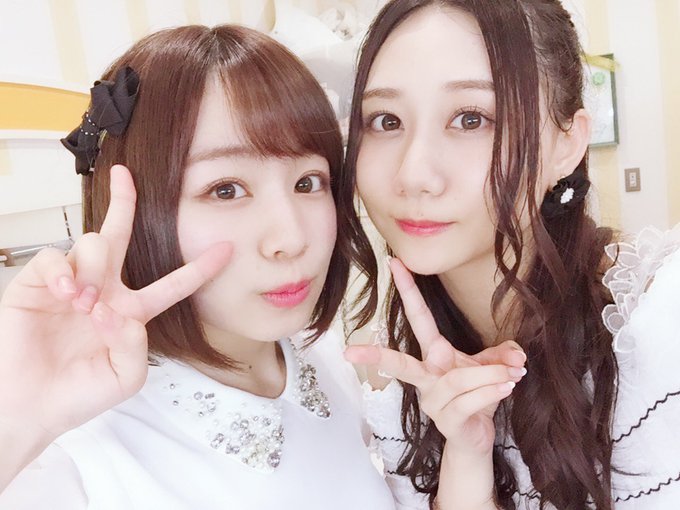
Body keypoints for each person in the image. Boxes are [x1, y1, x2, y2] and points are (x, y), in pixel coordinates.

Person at [0, 24, 404, 509]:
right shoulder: (76, 453)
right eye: (226, 190)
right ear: (140, 210)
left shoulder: (323, 354)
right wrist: (19, 422)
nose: (292, 238)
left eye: (307, 182)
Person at [343, 1, 680, 509]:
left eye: (471, 118)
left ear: (567, 145)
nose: (413, 175)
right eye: (386, 120)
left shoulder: (658, 329)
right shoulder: (400, 381)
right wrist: (466, 460)